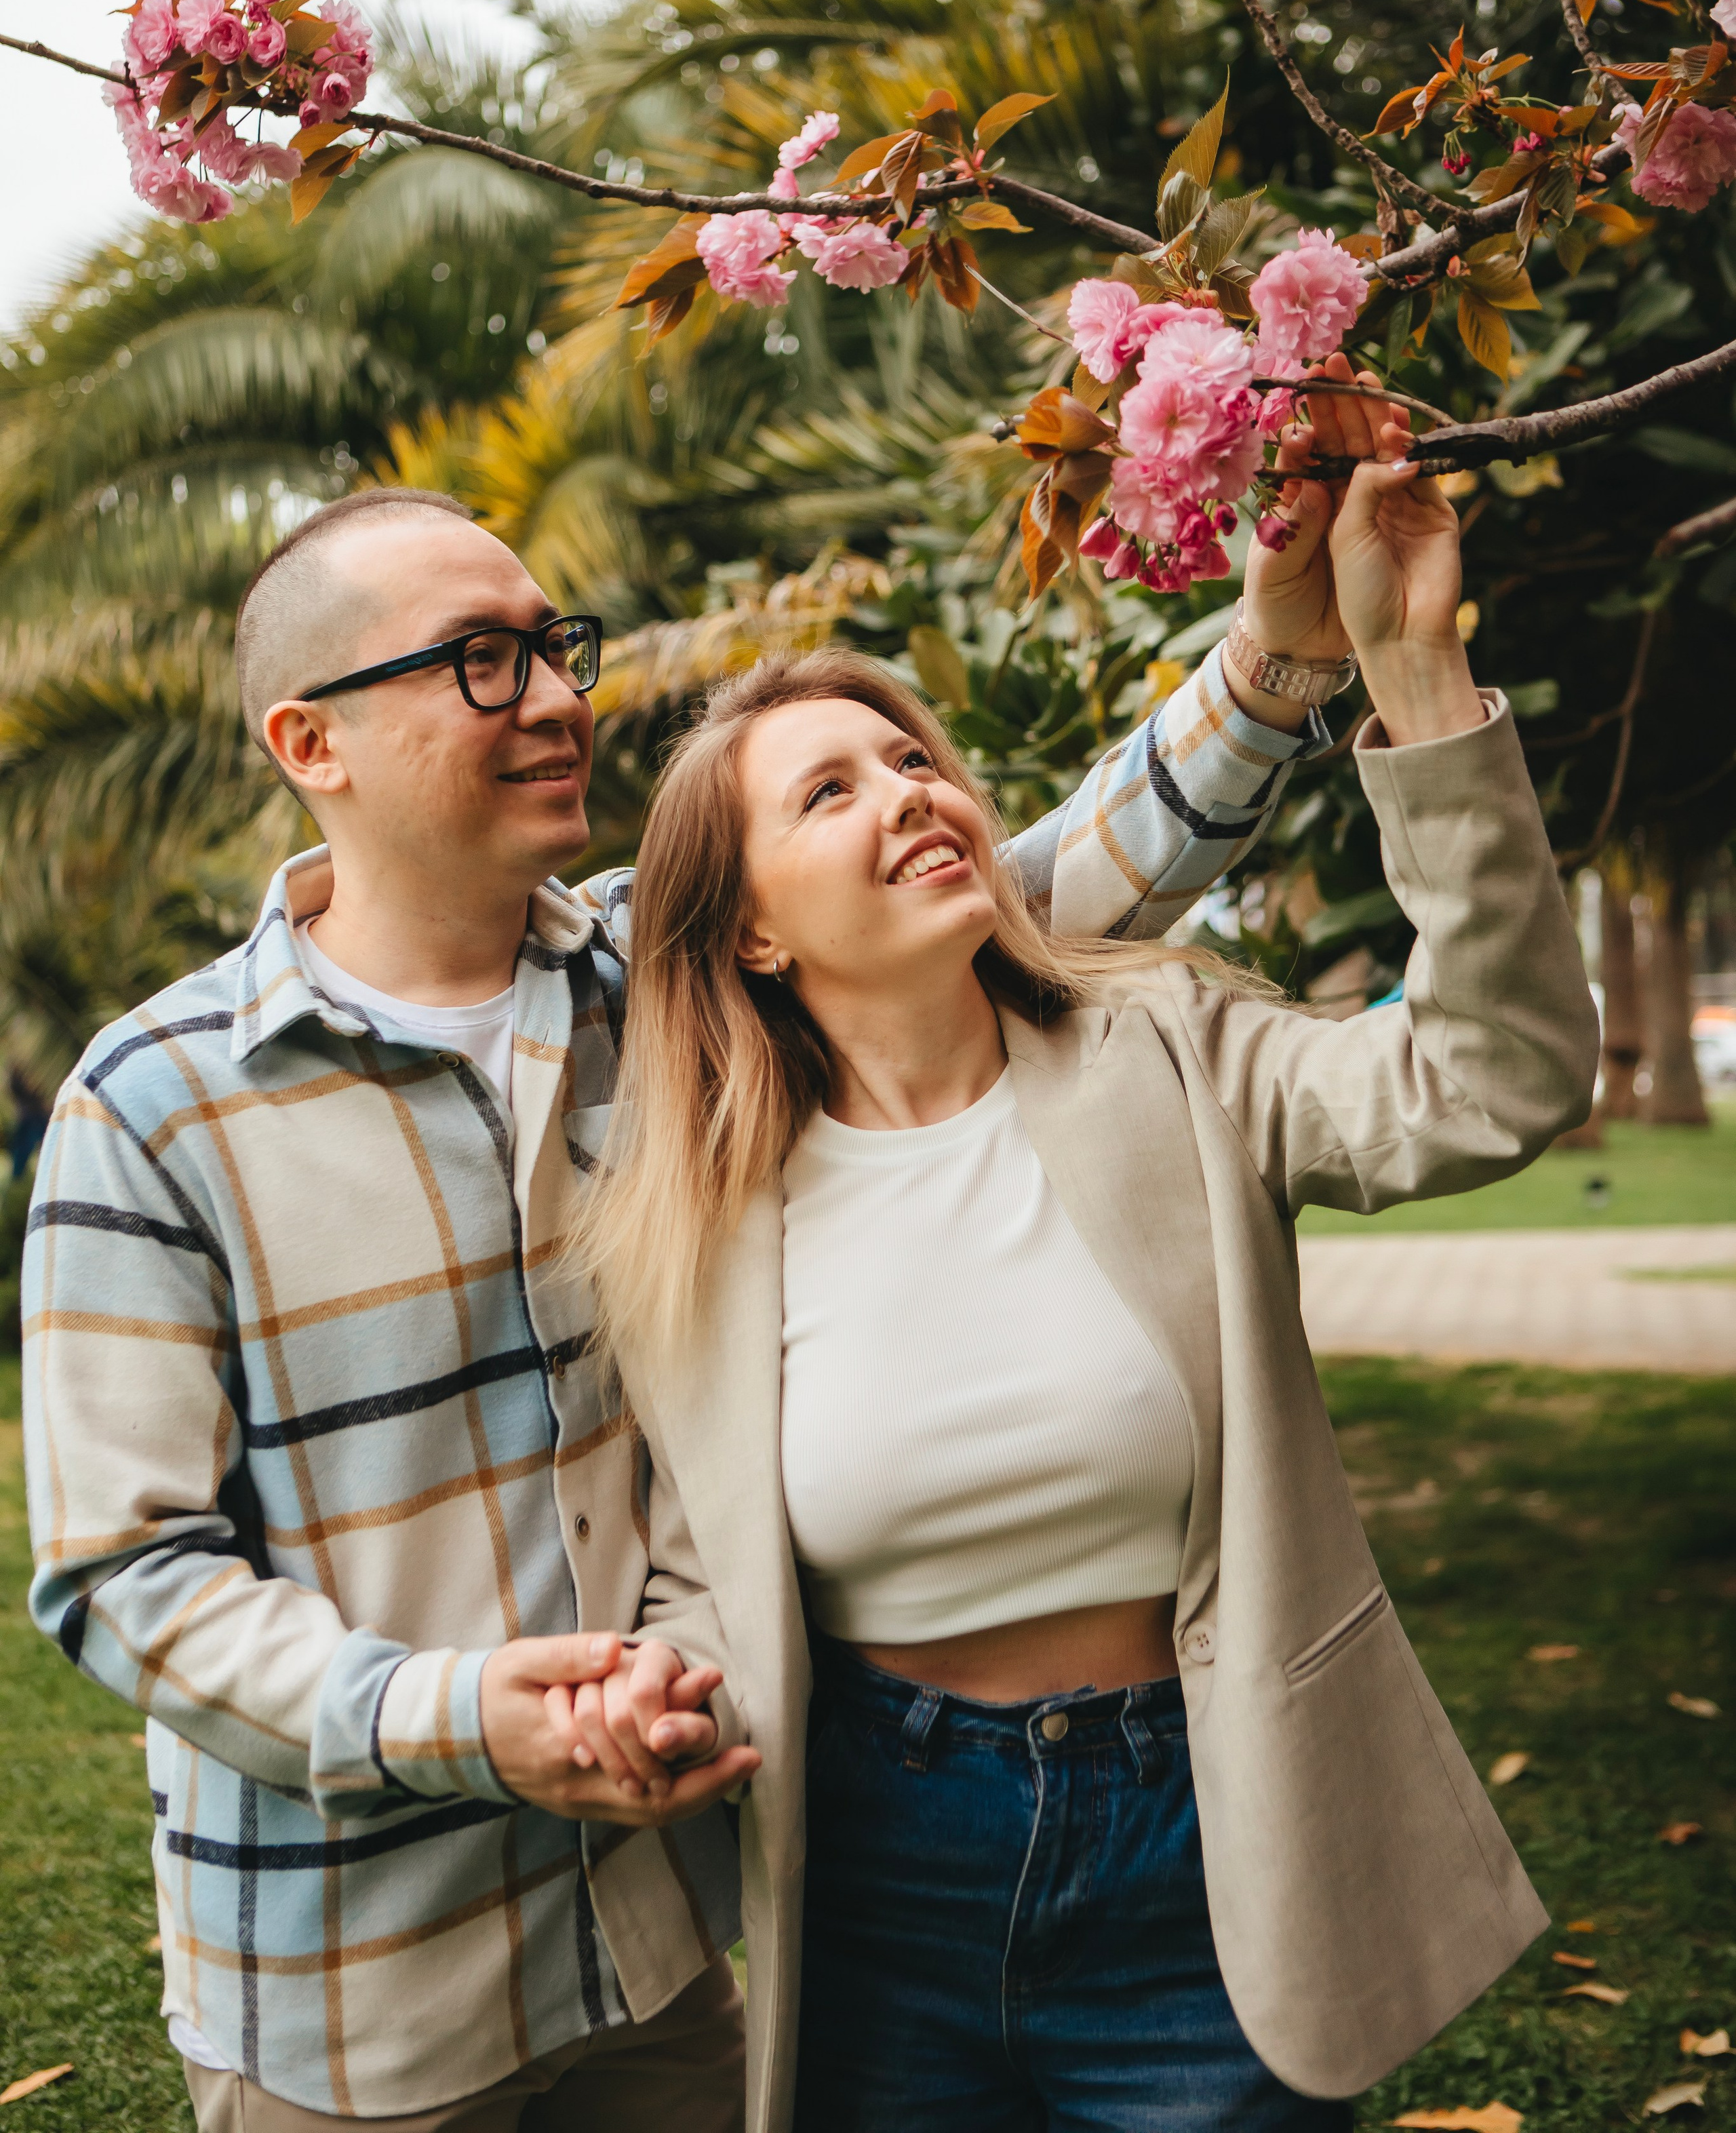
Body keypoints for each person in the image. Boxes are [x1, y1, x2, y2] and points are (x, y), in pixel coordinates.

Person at [22, 477, 1323, 2132]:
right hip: (357, 1994)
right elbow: (123, 1574)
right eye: (478, 661)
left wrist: (1274, 663)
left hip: (661, 1940)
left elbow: (1028, 882)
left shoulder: (665, 982)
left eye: (551, 647)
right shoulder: (151, 1105)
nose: (560, 696)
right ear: (310, 742)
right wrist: (454, 1721)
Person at [574, 389, 1601, 2133]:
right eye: (829, 790)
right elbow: (705, 1561)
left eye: (914, 762)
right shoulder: (694, 1217)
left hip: (1204, 1825)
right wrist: (660, 1691)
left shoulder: (1177, 1053)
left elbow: (1498, 1074)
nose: (908, 796)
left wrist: (1409, 677)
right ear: (747, 927)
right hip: (875, 1862)